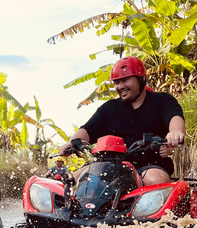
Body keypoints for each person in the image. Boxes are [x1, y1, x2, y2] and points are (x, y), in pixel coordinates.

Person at [58, 56, 185, 186]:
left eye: (125, 80)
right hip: (109, 164)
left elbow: (174, 117)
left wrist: (175, 132)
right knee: (78, 180)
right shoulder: (109, 108)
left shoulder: (162, 100)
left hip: (149, 165)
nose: (120, 86)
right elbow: (87, 130)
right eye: (116, 82)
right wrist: (71, 143)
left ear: (142, 78)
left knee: (156, 179)